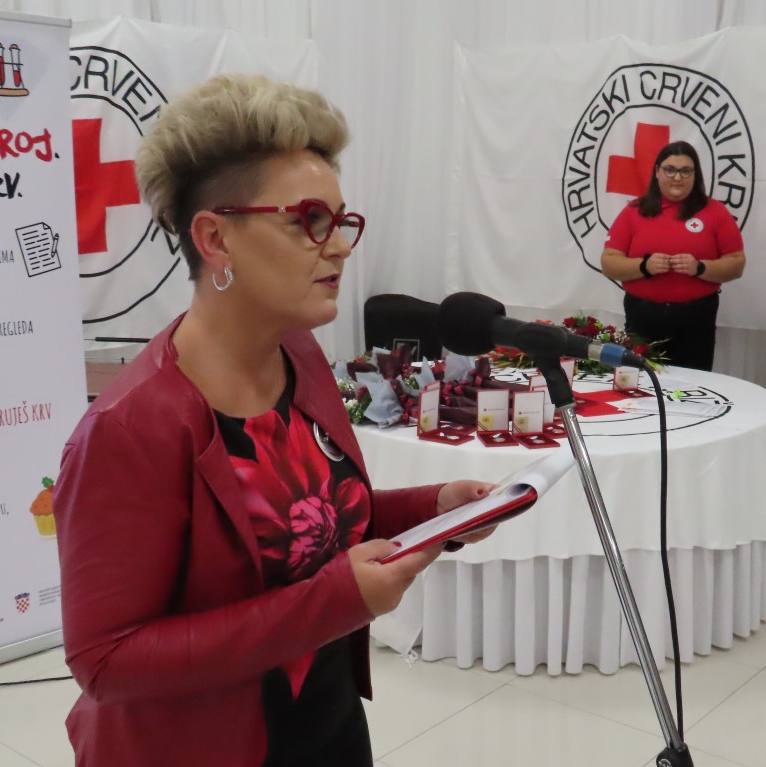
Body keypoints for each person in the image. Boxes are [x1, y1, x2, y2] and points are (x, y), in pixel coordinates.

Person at [54, 74, 493, 766]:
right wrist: (334, 600)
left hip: (327, 719)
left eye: (342, 220)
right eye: (308, 220)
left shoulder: (300, 353)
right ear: (215, 238)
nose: (340, 245)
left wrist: (431, 509)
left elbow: (310, 524)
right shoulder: (131, 428)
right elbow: (105, 661)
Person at [600, 141, 746, 371]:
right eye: (670, 170)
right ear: (657, 172)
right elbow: (609, 262)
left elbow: (737, 264)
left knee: (693, 384)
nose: (677, 178)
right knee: (641, 383)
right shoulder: (634, 211)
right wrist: (644, 266)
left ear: (695, 174)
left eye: (685, 171)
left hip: (696, 319)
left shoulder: (715, 212)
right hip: (643, 317)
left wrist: (700, 268)